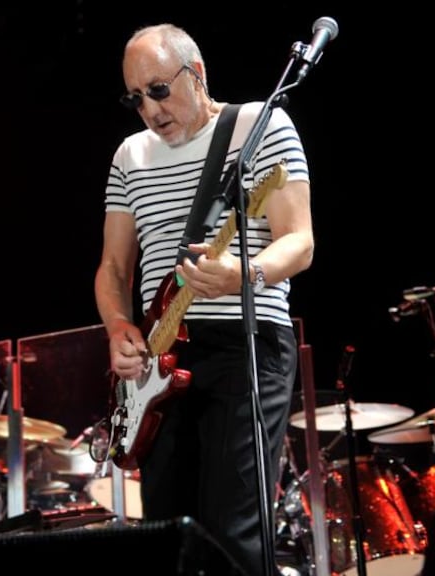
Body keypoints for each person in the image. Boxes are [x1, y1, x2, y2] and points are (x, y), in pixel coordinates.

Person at [94, 24, 314, 576]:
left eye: (159, 90)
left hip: (245, 342)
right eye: (135, 97)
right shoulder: (129, 155)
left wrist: (248, 273)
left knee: (234, 524)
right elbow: (114, 267)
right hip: (160, 360)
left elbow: (300, 240)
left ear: (197, 75)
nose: (149, 109)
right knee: (167, 532)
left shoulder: (261, 125)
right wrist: (120, 327)